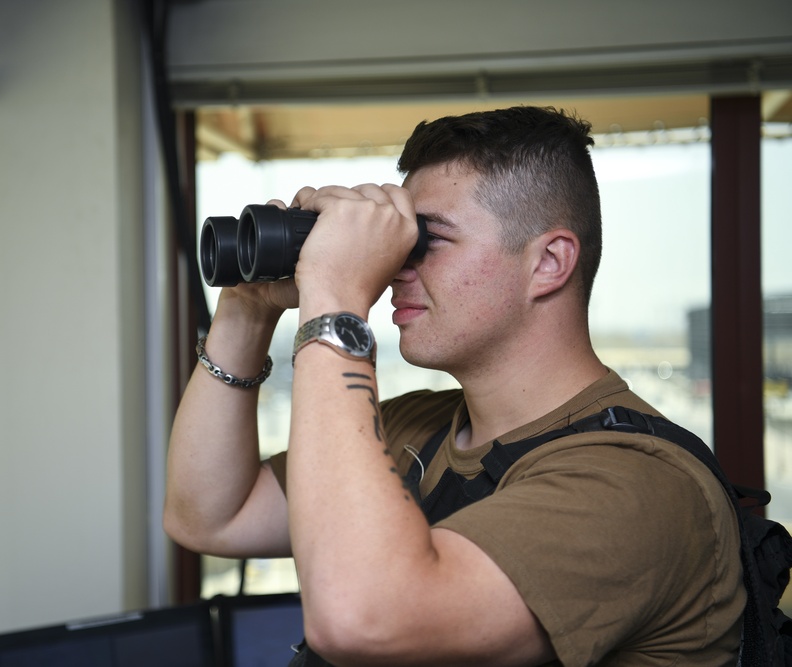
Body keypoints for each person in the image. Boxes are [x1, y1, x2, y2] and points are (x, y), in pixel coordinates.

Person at [164, 106, 745, 666]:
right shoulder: (417, 427)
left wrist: (336, 295)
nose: (394, 267)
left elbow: (363, 620)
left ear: (549, 262)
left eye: (427, 240)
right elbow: (212, 515)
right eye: (397, 241)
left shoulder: (634, 484)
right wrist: (247, 309)